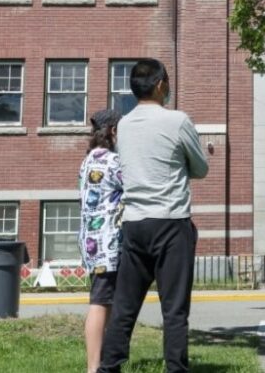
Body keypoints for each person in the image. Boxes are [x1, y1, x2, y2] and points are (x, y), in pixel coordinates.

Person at [98, 59, 209, 373]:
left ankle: (109, 367)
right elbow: (201, 168)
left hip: (133, 223)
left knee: (124, 307)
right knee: (174, 309)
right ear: (161, 85)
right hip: (171, 222)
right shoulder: (177, 121)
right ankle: (175, 368)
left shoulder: (123, 126)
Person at [79, 107, 124, 373]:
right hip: (108, 244)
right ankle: (94, 367)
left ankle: (101, 362)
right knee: (100, 303)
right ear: (113, 131)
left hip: (91, 243)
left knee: (103, 301)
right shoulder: (113, 162)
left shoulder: (87, 161)